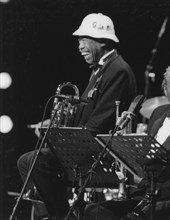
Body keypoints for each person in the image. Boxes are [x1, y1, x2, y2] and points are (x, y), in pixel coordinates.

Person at [16, 13, 137, 219]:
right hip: (85, 145)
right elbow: (89, 114)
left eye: (84, 40)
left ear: (101, 40)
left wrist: (64, 141)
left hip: (98, 149)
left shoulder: (117, 69)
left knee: (33, 161)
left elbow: (101, 121)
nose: (79, 46)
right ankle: (62, 214)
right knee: (30, 160)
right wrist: (60, 119)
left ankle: (63, 216)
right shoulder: (102, 70)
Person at [84, 60, 170, 219]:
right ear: (165, 89)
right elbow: (145, 158)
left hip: (169, 200)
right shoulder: (158, 112)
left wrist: (148, 195)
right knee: (93, 211)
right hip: (143, 193)